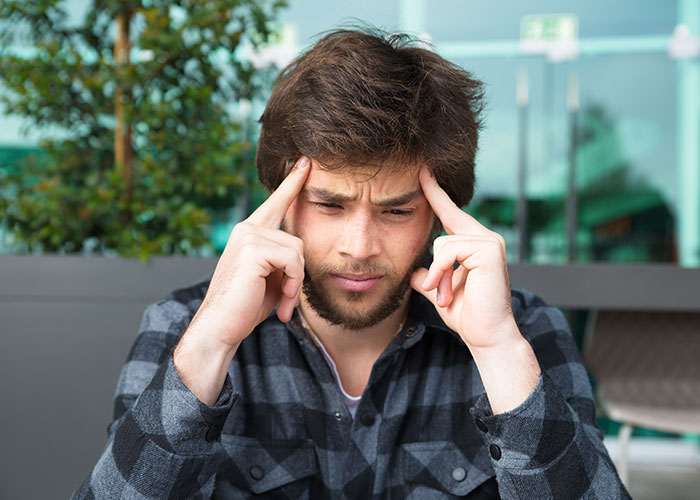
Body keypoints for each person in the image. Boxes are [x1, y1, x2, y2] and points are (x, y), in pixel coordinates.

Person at [74, 28, 630, 499]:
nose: (359, 245)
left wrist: (501, 354)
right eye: (329, 205)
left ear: (441, 218)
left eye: (396, 210)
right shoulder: (183, 327)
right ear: (281, 201)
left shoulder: (525, 332)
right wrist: (211, 346)